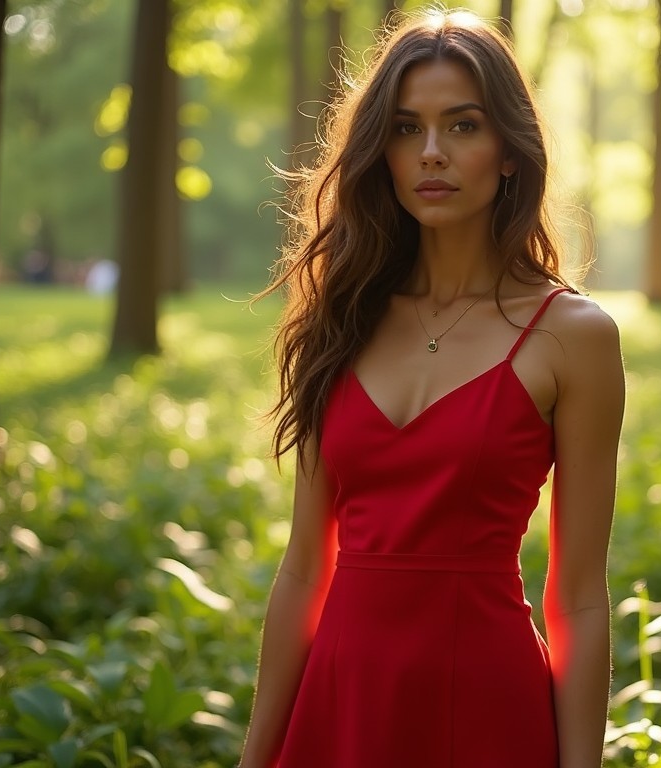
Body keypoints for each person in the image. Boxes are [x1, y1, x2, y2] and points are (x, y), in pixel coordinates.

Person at [239, 8, 625, 768]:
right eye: (408, 129)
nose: (433, 153)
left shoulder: (573, 336)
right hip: (340, 703)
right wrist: (257, 758)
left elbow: (578, 596)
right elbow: (304, 569)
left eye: (463, 126)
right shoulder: (342, 317)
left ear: (510, 151)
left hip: (486, 703)